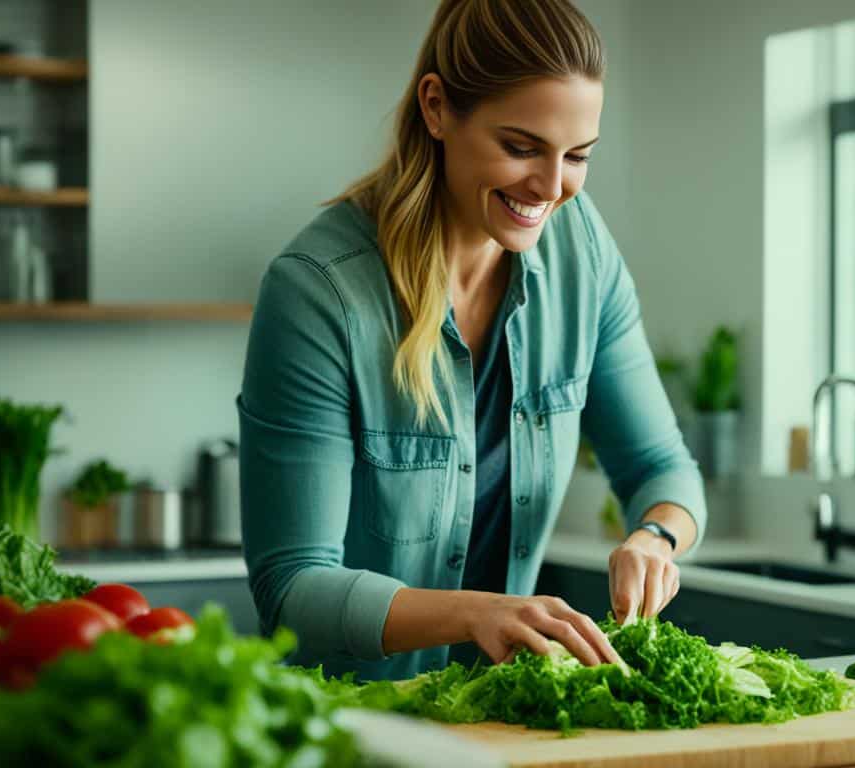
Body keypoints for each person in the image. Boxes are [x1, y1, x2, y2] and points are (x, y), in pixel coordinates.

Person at [237, 0, 706, 682]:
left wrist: (655, 539)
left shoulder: (583, 255)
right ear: (436, 108)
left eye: (577, 156)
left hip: (495, 724)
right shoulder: (319, 292)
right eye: (521, 147)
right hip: (347, 728)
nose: (551, 188)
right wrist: (475, 613)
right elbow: (292, 587)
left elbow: (663, 466)